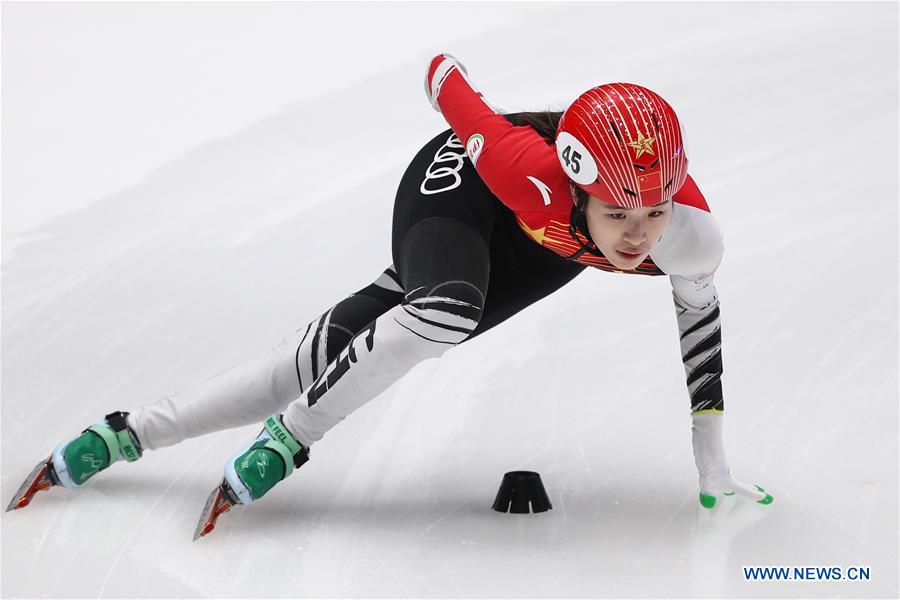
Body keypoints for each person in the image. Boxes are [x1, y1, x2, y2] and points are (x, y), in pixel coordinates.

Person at [8, 54, 772, 525]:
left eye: (654, 213)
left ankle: (126, 431)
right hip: (459, 193)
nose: (640, 236)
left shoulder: (687, 236)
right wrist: (449, 67)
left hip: (543, 244)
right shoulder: (520, 166)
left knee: (332, 353)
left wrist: (711, 452)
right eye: (618, 214)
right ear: (576, 182)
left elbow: (700, 329)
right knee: (442, 313)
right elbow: (447, 83)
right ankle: (290, 436)